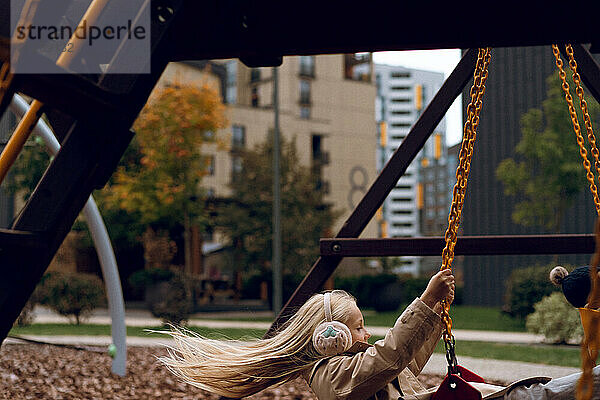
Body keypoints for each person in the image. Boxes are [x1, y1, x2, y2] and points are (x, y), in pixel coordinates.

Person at [158, 269, 600, 399]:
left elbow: (404, 359)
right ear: (328, 335)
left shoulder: (354, 367)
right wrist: (424, 303)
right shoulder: (332, 379)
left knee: (520, 394)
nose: (365, 333)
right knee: (535, 396)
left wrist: (432, 317)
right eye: (357, 326)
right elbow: (387, 357)